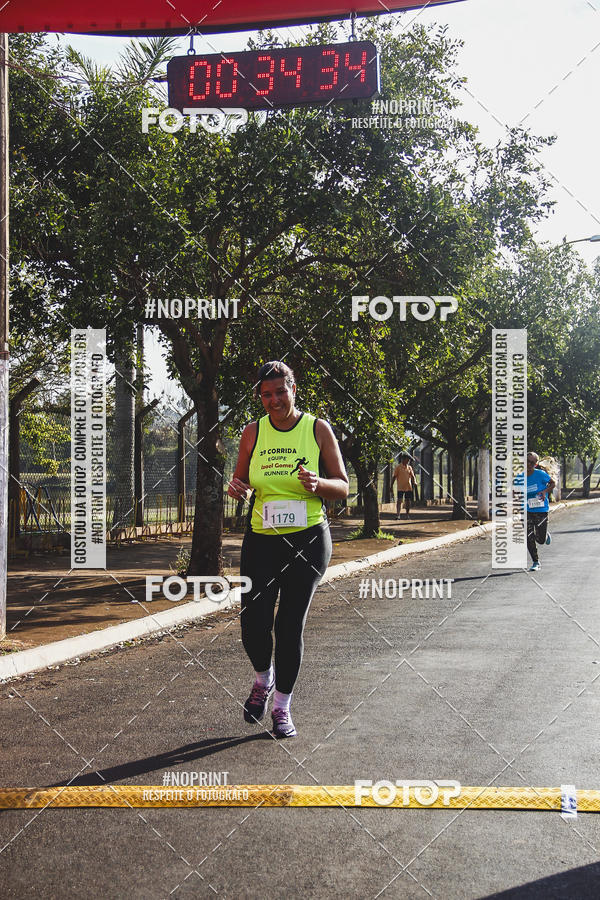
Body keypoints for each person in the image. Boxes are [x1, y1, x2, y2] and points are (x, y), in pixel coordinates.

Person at [227, 361, 349, 738]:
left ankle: (282, 706)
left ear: (294, 390)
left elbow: (342, 487)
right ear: (259, 397)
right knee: (253, 623)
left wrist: (318, 484)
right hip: (262, 538)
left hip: (308, 539)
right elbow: (242, 480)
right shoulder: (253, 432)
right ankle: (263, 678)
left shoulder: (316, 429)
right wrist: (237, 487)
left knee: (288, 623)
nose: (275, 400)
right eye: (267, 394)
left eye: (281, 391)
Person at [526, 452, 555, 572]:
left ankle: (544, 535)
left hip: (541, 510)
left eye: (532, 463)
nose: (529, 464)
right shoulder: (520, 476)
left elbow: (553, 483)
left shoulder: (541, 474)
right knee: (528, 535)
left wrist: (544, 492)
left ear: (536, 464)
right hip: (527, 510)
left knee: (541, 540)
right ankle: (535, 562)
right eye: (527, 461)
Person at [391, 454, 417, 519]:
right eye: (407, 460)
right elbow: (394, 477)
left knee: (408, 501)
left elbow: (413, 476)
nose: (408, 461)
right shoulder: (398, 467)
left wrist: (414, 482)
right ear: (403, 459)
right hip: (400, 487)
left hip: (408, 487)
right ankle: (398, 515)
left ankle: (407, 515)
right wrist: (391, 485)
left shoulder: (409, 467)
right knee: (399, 501)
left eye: (408, 460)